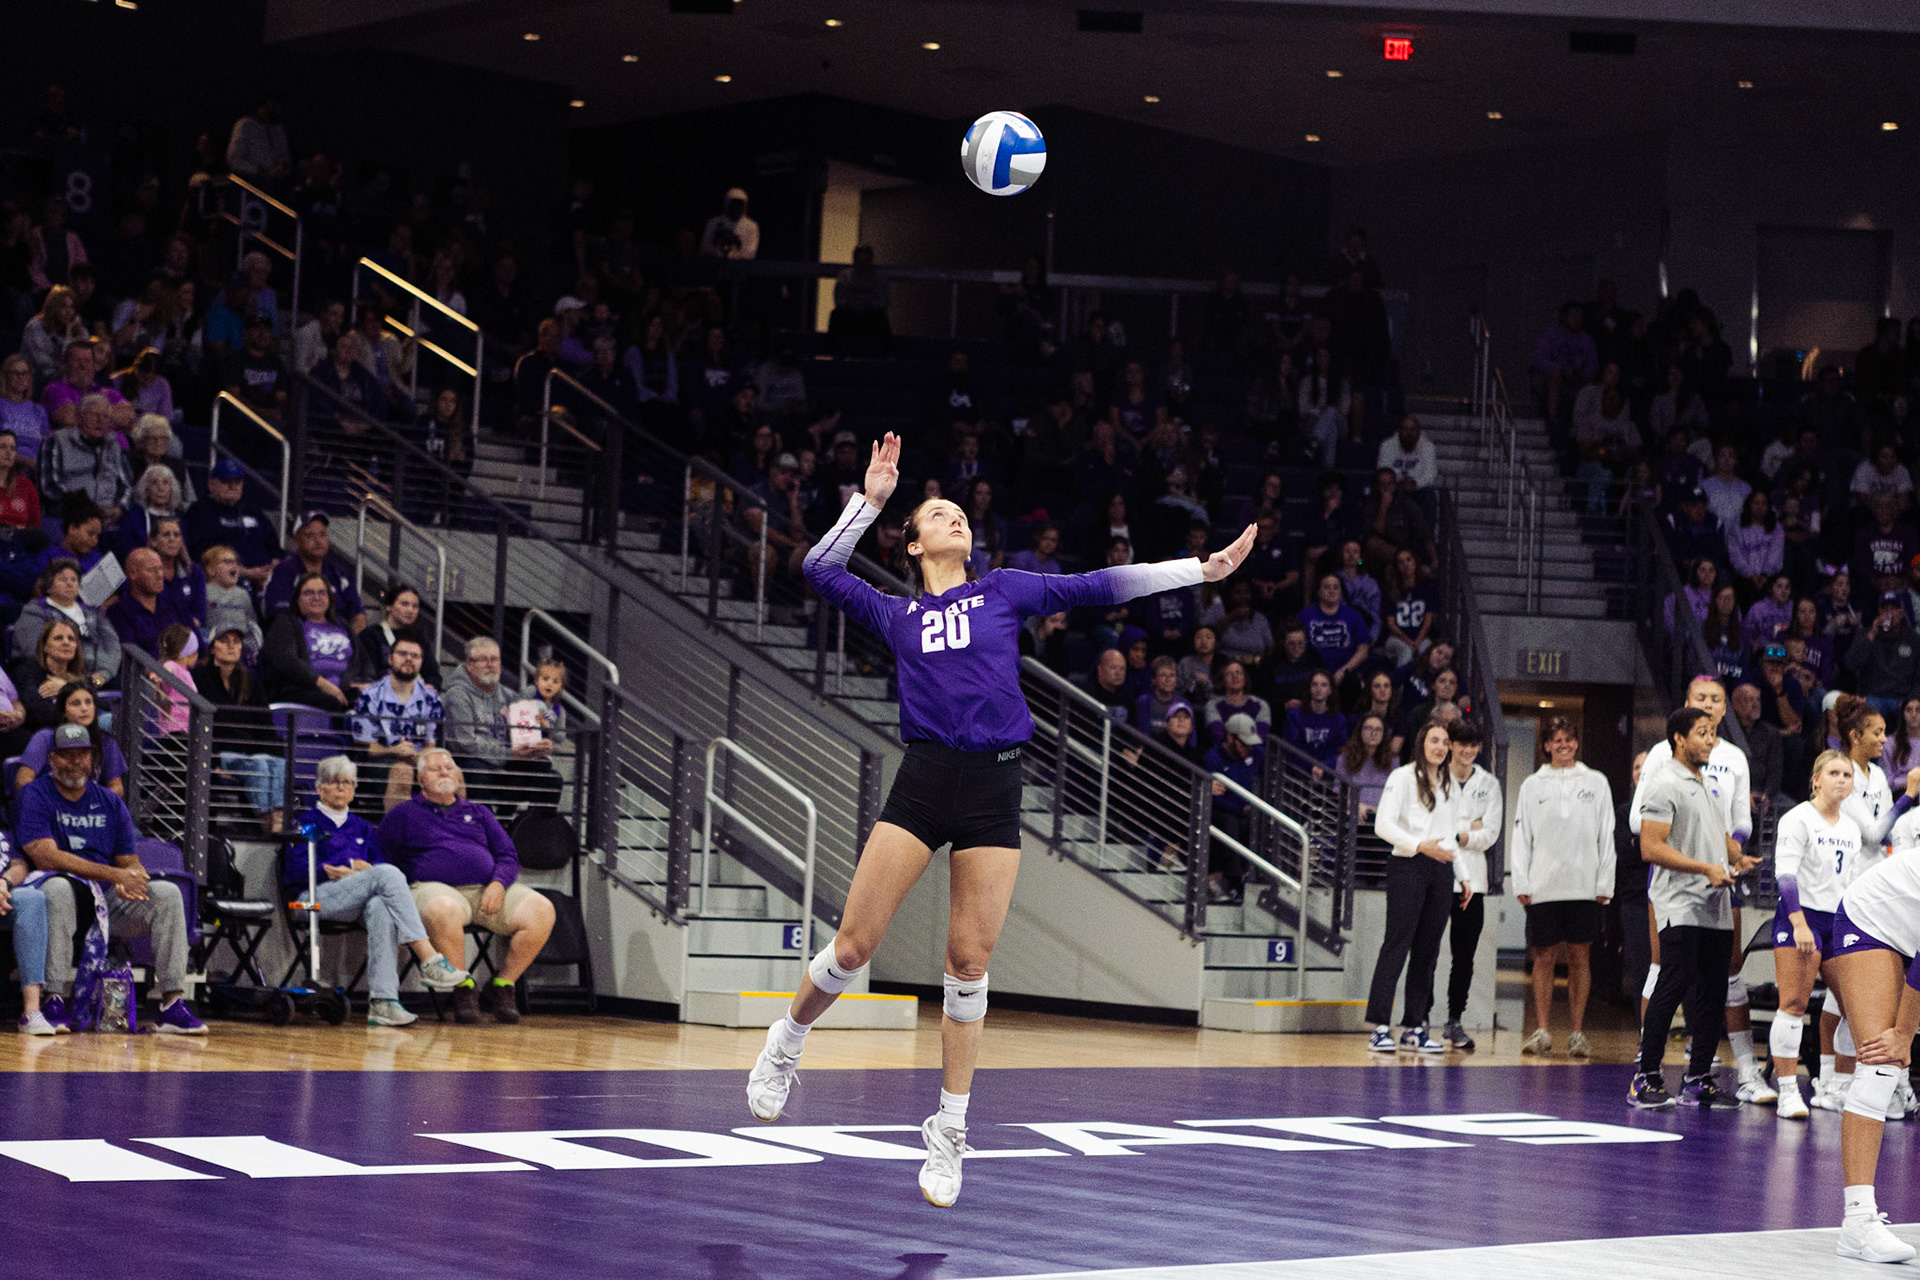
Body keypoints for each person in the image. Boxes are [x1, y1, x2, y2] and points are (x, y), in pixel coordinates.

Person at [751, 431, 1255, 1207]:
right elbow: (820, 568)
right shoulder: (893, 612)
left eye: (959, 512)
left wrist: (1201, 569)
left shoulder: (1005, 590)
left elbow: (1099, 585)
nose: (954, 517)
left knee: (967, 964)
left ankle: (949, 1133)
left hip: (995, 783)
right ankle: (787, 1042)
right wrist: (871, 501)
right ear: (915, 543)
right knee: (854, 945)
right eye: (937, 515)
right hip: (925, 778)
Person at [24, 723, 208, 1034]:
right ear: (52, 760)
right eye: (67, 756)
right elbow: (46, 856)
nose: (76, 762)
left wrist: (133, 878)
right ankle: (53, 998)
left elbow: (128, 860)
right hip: (60, 894)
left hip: (106, 900)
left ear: (93, 759)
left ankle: (172, 1002)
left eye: (82, 755)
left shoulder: (110, 802)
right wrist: (115, 873)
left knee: (166, 894)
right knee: (56, 888)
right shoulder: (35, 794)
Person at [1630, 706, 1753, 1109]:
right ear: (1679, 738)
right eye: (1702, 732)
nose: (1710, 740)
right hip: (1680, 901)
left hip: (1714, 901)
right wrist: (1704, 867)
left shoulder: (1705, 783)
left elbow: (1713, 834)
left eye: (1713, 733)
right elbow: (1651, 846)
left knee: (1714, 990)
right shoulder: (1664, 782)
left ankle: (1698, 1078)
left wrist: (1736, 857)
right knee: (1673, 982)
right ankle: (1644, 1077)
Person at [379, 748, 558, 1025]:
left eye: (449, 768)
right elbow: (384, 860)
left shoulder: (479, 812)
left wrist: (498, 883)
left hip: (486, 890)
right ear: (420, 778)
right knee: (443, 909)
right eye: (436, 769)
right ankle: (463, 987)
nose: (444, 773)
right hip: (431, 888)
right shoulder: (402, 815)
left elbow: (508, 856)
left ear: (459, 775)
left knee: (542, 909)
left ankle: (503, 985)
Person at [294, 756, 471, 1027]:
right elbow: (294, 870)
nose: (341, 788)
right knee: (387, 874)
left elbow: (378, 865)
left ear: (354, 789)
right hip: (307, 904)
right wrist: (334, 870)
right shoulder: (306, 823)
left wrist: (361, 874)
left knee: (381, 905)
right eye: (333, 782)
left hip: (354, 902)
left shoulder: (363, 826)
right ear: (320, 788)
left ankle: (383, 1002)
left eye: (347, 782)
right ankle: (429, 958)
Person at [1823, 845, 1920, 1262]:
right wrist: (1902, 1033)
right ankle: (1858, 1223)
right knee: (1882, 1063)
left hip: (1908, 931)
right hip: (1870, 922)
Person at [1508, 717, 1614, 1059]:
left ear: (1576, 743)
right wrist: (1521, 881)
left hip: (1584, 885)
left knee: (1580, 957)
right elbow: (1522, 836)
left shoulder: (1596, 782)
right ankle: (1541, 1031)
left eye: (1570, 739)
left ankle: (1577, 1033)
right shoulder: (1531, 785)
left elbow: (1606, 834)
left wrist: (1604, 880)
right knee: (1544, 958)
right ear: (1547, 745)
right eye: (1558, 740)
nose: (1564, 745)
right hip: (1543, 886)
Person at [1769, 750, 1862, 1122]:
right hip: (1800, 916)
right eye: (1834, 773)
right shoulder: (1798, 820)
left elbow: (1852, 884)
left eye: (1848, 775)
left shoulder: (1852, 828)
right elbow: (1786, 875)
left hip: (1837, 921)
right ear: (1816, 779)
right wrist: (1798, 922)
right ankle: (1788, 1091)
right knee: (1793, 1003)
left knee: (1854, 1005)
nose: (1842, 779)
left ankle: (1835, 1087)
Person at [1363, 720, 1459, 1055]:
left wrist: (1463, 877)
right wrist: (1419, 845)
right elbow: (1383, 825)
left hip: (1441, 868)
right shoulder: (1402, 777)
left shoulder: (1450, 783)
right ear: (1422, 743)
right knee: (1397, 944)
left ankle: (1415, 1026)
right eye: (1435, 740)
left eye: (1445, 742)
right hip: (1408, 864)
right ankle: (1379, 1026)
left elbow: (1450, 832)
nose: (1441, 747)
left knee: (1428, 950)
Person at [442, 636, 561, 813]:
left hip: (504, 761)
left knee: (550, 778)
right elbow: (464, 744)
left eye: (495, 659)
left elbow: (529, 727)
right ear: (469, 664)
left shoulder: (508, 695)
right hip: (471, 762)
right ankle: (486, 829)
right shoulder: (457, 695)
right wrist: (509, 753)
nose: (490, 664)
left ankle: (527, 832)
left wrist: (542, 739)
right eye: (483, 659)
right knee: (477, 772)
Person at [1441, 716, 1502, 1051]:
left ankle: (1455, 1020)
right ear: (1451, 744)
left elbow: (1489, 834)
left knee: (1464, 956)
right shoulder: (1437, 777)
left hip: (1473, 883)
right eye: (1462, 744)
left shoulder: (1489, 784)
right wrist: (1468, 829)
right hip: (1438, 875)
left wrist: (1461, 832)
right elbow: (1437, 829)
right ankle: (1418, 1020)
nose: (1468, 751)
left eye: (1474, 745)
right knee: (1425, 950)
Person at [195, 624, 285, 832]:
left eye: (236, 642)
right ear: (212, 647)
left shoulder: (250, 679)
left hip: (249, 753)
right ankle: (264, 822)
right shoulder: (200, 677)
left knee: (278, 763)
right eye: (224, 641)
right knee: (260, 767)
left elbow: (265, 724)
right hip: (221, 754)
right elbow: (198, 725)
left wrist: (272, 752)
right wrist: (213, 761)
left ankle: (277, 822)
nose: (231, 646)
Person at [350, 635, 443, 813]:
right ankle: (398, 835)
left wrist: (416, 755)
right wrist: (394, 751)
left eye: (415, 656)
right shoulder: (370, 695)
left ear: (422, 662)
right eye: (403, 654)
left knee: (453, 772)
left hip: (420, 761)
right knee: (403, 771)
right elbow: (365, 747)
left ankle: (457, 834)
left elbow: (431, 745)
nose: (409, 659)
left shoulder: (432, 698)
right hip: (379, 762)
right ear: (390, 659)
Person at [12, 558, 120, 677]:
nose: (70, 583)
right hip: (54, 676)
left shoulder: (93, 612)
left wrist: (102, 675)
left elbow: (111, 644)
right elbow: (34, 651)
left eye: (74, 580)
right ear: (48, 587)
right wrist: (68, 679)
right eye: (63, 579)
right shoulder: (34, 611)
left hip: (96, 679)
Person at [260, 572, 353, 710]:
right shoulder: (286, 623)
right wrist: (321, 683)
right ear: (297, 599)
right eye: (309, 593)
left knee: (362, 699)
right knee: (332, 702)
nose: (316, 597)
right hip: (300, 690)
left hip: (341, 688)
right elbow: (287, 661)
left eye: (322, 593)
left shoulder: (342, 625)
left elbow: (361, 661)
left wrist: (361, 683)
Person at [14, 682, 127, 795]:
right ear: (63, 712)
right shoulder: (45, 738)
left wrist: (94, 801)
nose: (84, 708)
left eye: (88, 702)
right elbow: (23, 781)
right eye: (76, 703)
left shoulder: (106, 742)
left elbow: (116, 786)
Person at [263, 511, 366, 630]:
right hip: (300, 639)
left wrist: (349, 641)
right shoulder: (284, 571)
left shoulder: (339, 573)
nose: (318, 541)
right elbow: (280, 615)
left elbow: (358, 615)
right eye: (310, 535)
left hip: (339, 641)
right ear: (297, 539)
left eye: (322, 534)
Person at [183, 460, 278, 585]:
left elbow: (275, 547)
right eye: (226, 482)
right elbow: (203, 554)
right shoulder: (200, 512)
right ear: (211, 484)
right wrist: (244, 572)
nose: (233, 487)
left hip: (265, 579)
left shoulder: (253, 511)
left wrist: (274, 566)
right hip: (225, 581)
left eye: (237, 482)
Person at [40, 394, 132, 522]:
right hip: (70, 513)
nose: (100, 421)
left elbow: (126, 486)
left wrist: (119, 508)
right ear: (79, 417)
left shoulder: (114, 447)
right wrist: (90, 509)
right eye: (94, 415)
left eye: (105, 417)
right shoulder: (56, 441)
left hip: (108, 515)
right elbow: (50, 487)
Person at [0, 830, 57, 1034]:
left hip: (3, 894)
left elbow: (19, 866)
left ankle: (31, 1012)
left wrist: (3, 883)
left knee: (32, 898)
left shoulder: (5, 829)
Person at [346, 581, 443, 691]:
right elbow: (367, 675)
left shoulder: (420, 638)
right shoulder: (371, 635)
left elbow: (433, 676)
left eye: (415, 606)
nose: (410, 610)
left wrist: (428, 689)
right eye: (404, 604)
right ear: (389, 606)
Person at [105, 547, 194, 654]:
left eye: (160, 568)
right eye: (151, 570)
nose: (159, 575)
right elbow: (132, 657)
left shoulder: (175, 603)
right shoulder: (118, 613)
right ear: (133, 574)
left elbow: (197, 644)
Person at [201, 545, 262, 654]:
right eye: (227, 562)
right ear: (211, 570)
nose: (234, 566)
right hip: (216, 646)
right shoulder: (205, 591)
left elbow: (251, 621)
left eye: (236, 563)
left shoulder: (243, 594)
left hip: (241, 646)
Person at [1279, 669, 1344, 768]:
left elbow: (1338, 750)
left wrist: (1323, 767)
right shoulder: (1294, 716)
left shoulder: (1339, 719)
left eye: (1324, 685)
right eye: (1314, 685)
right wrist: (1312, 766)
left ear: (1330, 690)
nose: (1319, 689)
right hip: (1298, 773)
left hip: (1327, 774)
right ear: (1309, 689)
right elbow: (1292, 748)